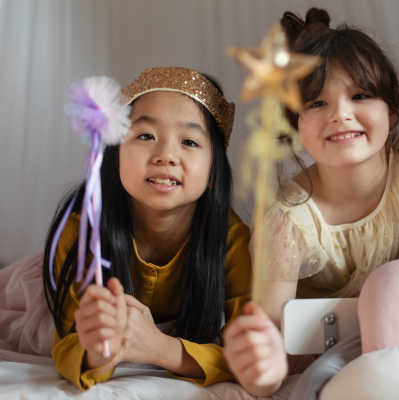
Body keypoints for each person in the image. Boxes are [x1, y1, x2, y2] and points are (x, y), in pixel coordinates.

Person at [222, 8, 399, 395]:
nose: (341, 114)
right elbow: (272, 338)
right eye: (317, 104)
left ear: (391, 112)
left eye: (359, 95)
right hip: (323, 341)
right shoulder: (287, 222)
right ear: (295, 125)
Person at [42, 67, 258, 393]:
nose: (166, 156)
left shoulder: (231, 239)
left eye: (189, 141)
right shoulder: (82, 233)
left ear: (214, 170)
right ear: (115, 153)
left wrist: (161, 348)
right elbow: (68, 345)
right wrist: (99, 349)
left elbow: (251, 357)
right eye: (145, 136)